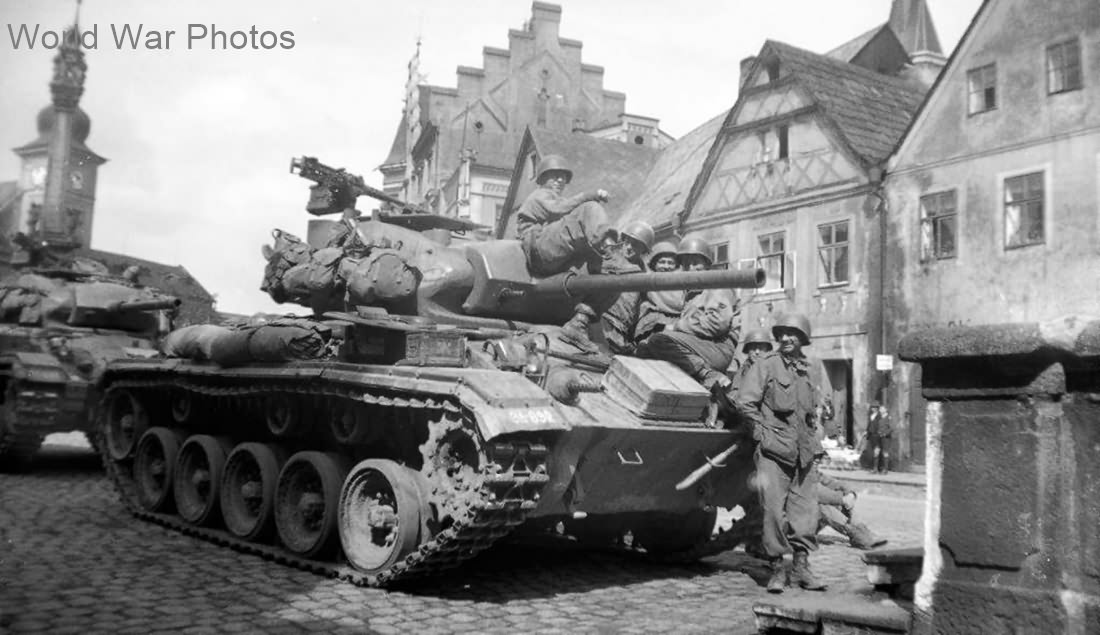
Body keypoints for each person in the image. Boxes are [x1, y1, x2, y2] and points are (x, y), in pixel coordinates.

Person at [735, 312, 828, 593]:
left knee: (806, 513)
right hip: (773, 454)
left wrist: (816, 440)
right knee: (773, 513)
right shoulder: (765, 365)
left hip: (804, 453)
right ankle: (776, 568)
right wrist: (763, 435)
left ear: (803, 338)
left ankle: (801, 568)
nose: (786, 338)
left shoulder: (809, 369)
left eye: (793, 333)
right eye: (782, 333)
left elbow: (815, 410)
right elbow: (745, 404)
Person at [514, 154, 620, 349]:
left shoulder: (562, 201)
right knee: (590, 209)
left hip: (556, 253)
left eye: (563, 177)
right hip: (538, 246)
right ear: (542, 178)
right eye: (554, 175)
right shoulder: (539, 195)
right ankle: (607, 245)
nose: (560, 180)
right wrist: (590, 195)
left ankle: (579, 323)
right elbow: (558, 209)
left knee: (614, 278)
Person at [815, 466, 888, 550]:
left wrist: (849, 493)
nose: (817, 460)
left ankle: (862, 531)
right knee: (822, 506)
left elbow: (831, 482)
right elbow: (817, 492)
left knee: (845, 500)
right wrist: (842, 499)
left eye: (819, 458)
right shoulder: (802, 472)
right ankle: (855, 534)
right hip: (802, 524)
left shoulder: (811, 470)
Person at [867, 402, 892, 474]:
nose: (880, 410)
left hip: (885, 438)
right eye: (880, 409)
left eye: (882, 409)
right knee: (876, 451)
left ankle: (885, 469)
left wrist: (885, 433)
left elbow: (891, 428)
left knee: (885, 452)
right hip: (878, 437)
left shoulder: (888, 418)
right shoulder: (880, 417)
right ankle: (875, 468)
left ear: (886, 410)